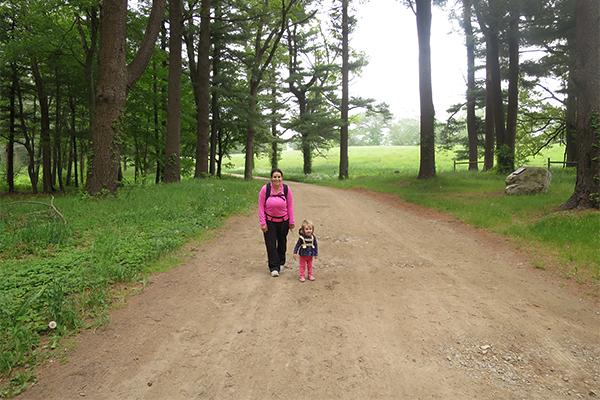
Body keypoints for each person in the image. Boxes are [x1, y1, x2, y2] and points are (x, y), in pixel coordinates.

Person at [259, 169, 295, 277]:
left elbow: (290, 206)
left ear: (281, 178)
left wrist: (291, 221)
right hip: (269, 222)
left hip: (284, 222)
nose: (277, 179)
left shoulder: (286, 189)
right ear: (271, 178)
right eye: (274, 177)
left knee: (282, 243)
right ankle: (274, 267)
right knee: (271, 245)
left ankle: (281, 261)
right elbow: (261, 207)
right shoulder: (265, 189)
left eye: (279, 177)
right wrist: (263, 223)